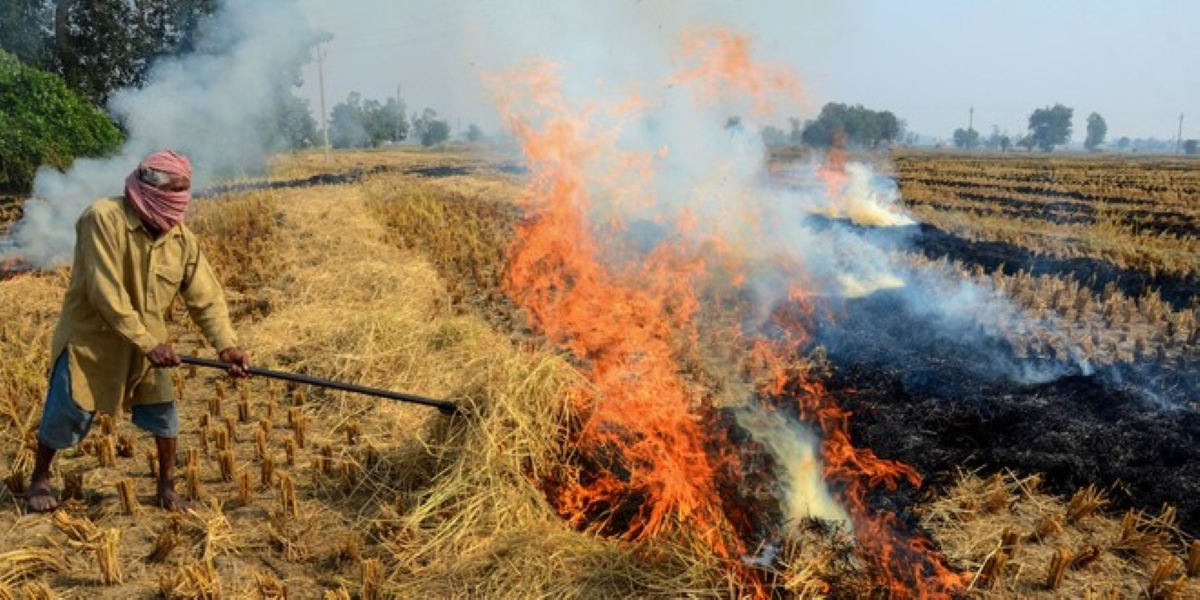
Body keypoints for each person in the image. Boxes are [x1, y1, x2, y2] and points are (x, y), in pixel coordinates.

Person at [26, 150, 251, 513]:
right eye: (172, 190)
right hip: (92, 340)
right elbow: (105, 291)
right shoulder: (103, 218)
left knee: (165, 417)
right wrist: (148, 342)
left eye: (184, 190)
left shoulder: (182, 240)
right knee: (65, 412)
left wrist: (227, 347)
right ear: (146, 187)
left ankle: (166, 487)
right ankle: (39, 478)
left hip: (148, 345)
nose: (179, 200)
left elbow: (206, 297)